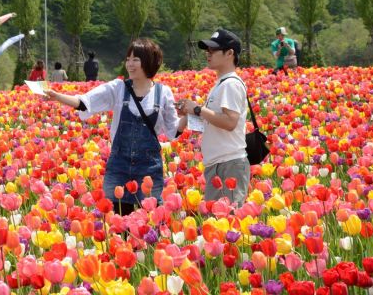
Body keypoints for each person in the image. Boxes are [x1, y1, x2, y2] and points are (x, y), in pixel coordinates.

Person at [43, 38, 178, 215]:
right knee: (119, 221)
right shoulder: (118, 88)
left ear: (149, 61)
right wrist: (58, 96)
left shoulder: (163, 93)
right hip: (119, 164)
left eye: (135, 59)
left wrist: (193, 113)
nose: (130, 64)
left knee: (151, 221)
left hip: (149, 167)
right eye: (128, 59)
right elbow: (85, 102)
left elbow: (173, 131)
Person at [177, 29, 249, 206]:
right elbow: (214, 121)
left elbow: (230, 122)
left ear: (230, 54)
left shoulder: (231, 84)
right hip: (218, 163)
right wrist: (191, 112)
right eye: (207, 50)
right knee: (217, 224)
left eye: (213, 50)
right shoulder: (221, 84)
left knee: (227, 221)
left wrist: (198, 109)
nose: (208, 54)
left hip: (229, 163)